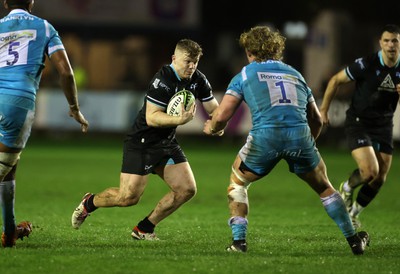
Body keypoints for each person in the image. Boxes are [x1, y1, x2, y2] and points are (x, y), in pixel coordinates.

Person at [203, 26, 369, 255]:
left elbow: (222, 116)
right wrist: (307, 144)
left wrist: (213, 128)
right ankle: (353, 240)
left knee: (237, 183)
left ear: (249, 51)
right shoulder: (295, 74)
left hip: (265, 139)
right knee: (325, 188)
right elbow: (317, 120)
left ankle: (239, 243)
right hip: (300, 137)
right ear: (276, 49)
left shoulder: (245, 74)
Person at [71, 39, 219, 240]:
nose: (191, 66)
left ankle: (145, 228)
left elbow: (214, 109)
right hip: (142, 142)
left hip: (167, 142)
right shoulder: (163, 80)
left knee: (186, 189)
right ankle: (90, 202)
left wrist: (218, 124)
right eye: (187, 61)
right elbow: (152, 117)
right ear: (174, 59)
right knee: (128, 198)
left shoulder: (198, 79)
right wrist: (180, 119)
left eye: (195, 61)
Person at [0, 0, 89, 247]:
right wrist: (74, 108)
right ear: (31, 2)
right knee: (4, 168)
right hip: (17, 103)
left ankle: (9, 232)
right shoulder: (45, 28)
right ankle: (8, 233)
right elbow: (66, 72)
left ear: (5, 2)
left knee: (9, 169)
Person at [319, 24, 400, 229]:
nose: (391, 45)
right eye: (387, 40)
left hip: (384, 125)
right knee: (369, 172)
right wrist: (323, 110)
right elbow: (336, 80)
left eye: (395, 41)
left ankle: (354, 213)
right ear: (380, 43)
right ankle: (346, 187)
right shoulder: (367, 64)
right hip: (359, 122)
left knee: (379, 178)